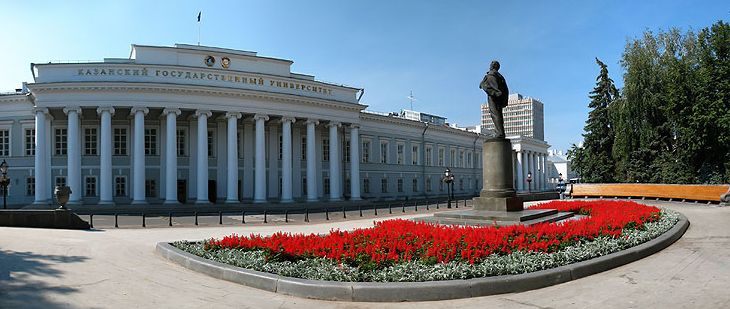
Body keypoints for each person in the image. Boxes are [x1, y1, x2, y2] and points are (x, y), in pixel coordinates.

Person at [479, 60, 509, 138]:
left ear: (493, 66)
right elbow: (505, 89)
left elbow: (492, 86)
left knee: (495, 114)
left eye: (491, 65)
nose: (490, 66)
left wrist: (494, 92)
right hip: (499, 98)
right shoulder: (500, 76)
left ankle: (499, 133)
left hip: (493, 97)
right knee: (498, 115)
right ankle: (500, 132)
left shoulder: (491, 74)